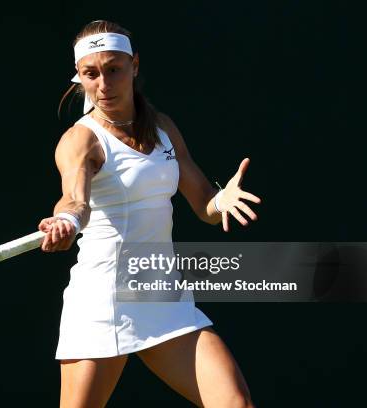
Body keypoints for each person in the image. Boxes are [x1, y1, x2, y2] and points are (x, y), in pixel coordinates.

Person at [38, 20, 261, 408]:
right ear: (79, 76)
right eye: (91, 73)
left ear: (134, 66)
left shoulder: (163, 128)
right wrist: (67, 220)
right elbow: (75, 200)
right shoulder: (80, 139)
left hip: (160, 294)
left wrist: (220, 201)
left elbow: (204, 203)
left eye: (114, 69)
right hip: (102, 299)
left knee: (235, 403)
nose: (103, 84)